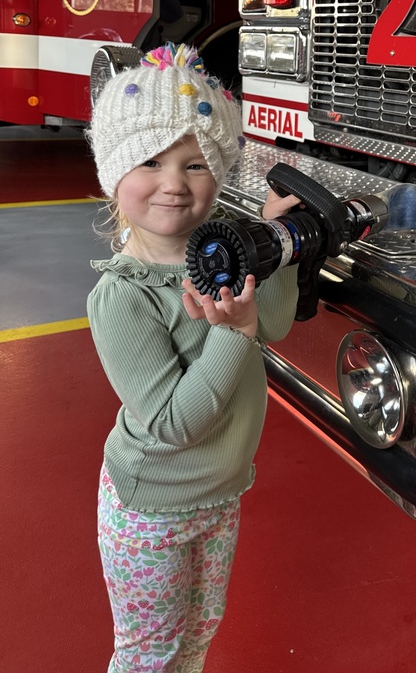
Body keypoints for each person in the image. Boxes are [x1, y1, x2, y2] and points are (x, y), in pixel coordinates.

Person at [86, 42, 300, 672]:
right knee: (149, 654)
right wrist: (233, 333)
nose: (174, 184)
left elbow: (278, 323)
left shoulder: (221, 255)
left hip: (222, 492)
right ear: (114, 172)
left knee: (198, 636)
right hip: (149, 507)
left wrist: (272, 245)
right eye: (151, 161)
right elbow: (174, 423)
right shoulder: (121, 297)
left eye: (196, 164)